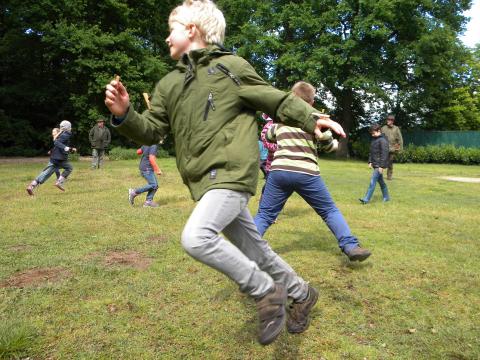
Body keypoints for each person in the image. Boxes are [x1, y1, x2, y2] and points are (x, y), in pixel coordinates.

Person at [105, 0, 346, 345]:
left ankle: (266, 291)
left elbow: (275, 99)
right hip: (203, 181)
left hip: (232, 173)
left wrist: (313, 118)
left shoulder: (231, 67)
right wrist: (125, 113)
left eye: (171, 30)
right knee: (256, 250)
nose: (165, 39)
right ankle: (302, 293)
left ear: (191, 30)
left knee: (196, 237)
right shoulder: (168, 85)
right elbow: (152, 130)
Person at [254, 81, 372, 262]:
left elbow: (269, 136)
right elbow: (327, 145)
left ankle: (244, 249)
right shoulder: (317, 120)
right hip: (306, 173)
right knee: (329, 211)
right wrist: (333, 144)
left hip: (279, 171)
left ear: (292, 99)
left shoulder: (282, 120)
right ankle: (350, 246)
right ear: (311, 101)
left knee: (265, 215)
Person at [26, 120, 77, 195]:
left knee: (46, 173)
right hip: (60, 158)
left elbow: (56, 141)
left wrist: (70, 149)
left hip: (55, 157)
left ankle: (32, 186)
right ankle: (59, 182)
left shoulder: (61, 133)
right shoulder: (67, 134)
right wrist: (67, 148)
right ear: (68, 127)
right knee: (69, 168)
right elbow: (56, 143)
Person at [359, 124, 390, 204]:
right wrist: (370, 161)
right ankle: (386, 197)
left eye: (373, 133)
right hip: (375, 164)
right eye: (371, 133)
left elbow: (385, 154)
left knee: (373, 181)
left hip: (379, 165)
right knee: (381, 182)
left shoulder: (383, 140)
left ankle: (366, 199)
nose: (372, 135)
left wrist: (381, 166)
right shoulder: (374, 139)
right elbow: (371, 152)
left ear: (379, 131)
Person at [381, 114, 403, 180]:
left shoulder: (396, 129)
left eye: (389, 120)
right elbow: (379, 138)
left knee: (390, 163)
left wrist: (400, 149)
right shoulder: (383, 128)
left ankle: (389, 176)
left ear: (392, 121)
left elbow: (400, 139)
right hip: (384, 148)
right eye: (387, 119)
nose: (387, 121)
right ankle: (379, 175)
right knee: (381, 162)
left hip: (392, 149)